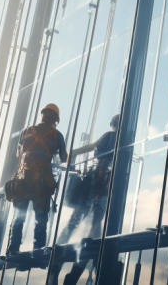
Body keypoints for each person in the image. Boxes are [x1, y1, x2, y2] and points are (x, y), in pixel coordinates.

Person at [59, 115, 119, 285]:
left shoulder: (107, 136)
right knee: (94, 226)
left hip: (95, 181)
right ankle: (86, 263)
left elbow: (89, 147)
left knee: (77, 221)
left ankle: (59, 251)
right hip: (103, 184)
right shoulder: (117, 138)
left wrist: (71, 154)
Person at [7, 103, 68, 254]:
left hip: (22, 181)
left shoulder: (27, 131)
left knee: (19, 217)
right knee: (40, 220)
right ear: (55, 119)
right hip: (41, 184)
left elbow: (18, 154)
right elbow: (63, 158)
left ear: (42, 115)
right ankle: (38, 251)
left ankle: (13, 249)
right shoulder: (57, 135)